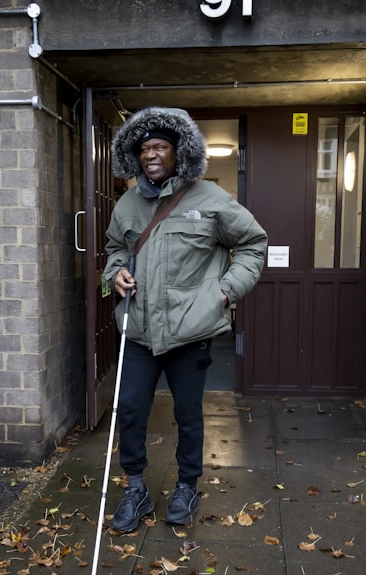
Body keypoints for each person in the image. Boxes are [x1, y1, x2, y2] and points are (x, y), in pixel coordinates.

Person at [102, 107, 268, 531]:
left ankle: (187, 486)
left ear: (178, 152)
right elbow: (115, 251)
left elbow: (252, 243)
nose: (151, 155)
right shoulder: (127, 203)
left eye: (160, 147)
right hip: (137, 331)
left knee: (190, 415)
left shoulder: (210, 200)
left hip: (189, 332)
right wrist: (114, 274)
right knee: (132, 411)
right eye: (144, 149)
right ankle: (135, 488)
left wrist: (225, 292)